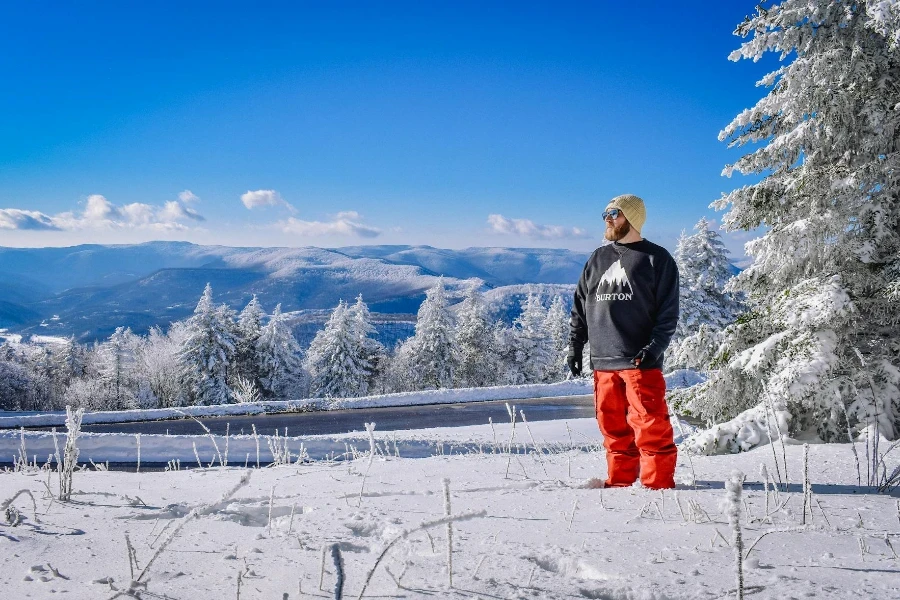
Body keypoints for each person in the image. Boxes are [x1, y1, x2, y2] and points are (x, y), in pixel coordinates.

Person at [567, 194, 679, 489]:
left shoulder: (657, 259)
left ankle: (658, 488)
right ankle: (620, 483)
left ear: (632, 217)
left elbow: (668, 315)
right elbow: (580, 305)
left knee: (651, 427)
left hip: (640, 361)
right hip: (603, 362)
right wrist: (575, 347)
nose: (607, 218)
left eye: (614, 213)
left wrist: (653, 349)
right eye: (605, 213)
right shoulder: (597, 258)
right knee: (612, 428)